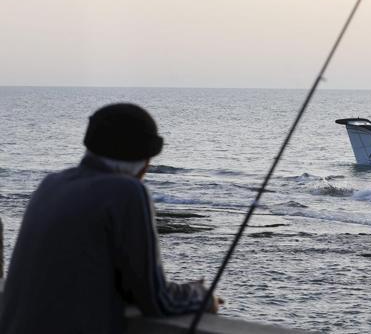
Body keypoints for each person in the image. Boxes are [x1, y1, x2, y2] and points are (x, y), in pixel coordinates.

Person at [0, 103, 220, 334]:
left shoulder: (51, 184)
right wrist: (201, 295)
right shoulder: (128, 192)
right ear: (146, 162)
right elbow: (158, 301)